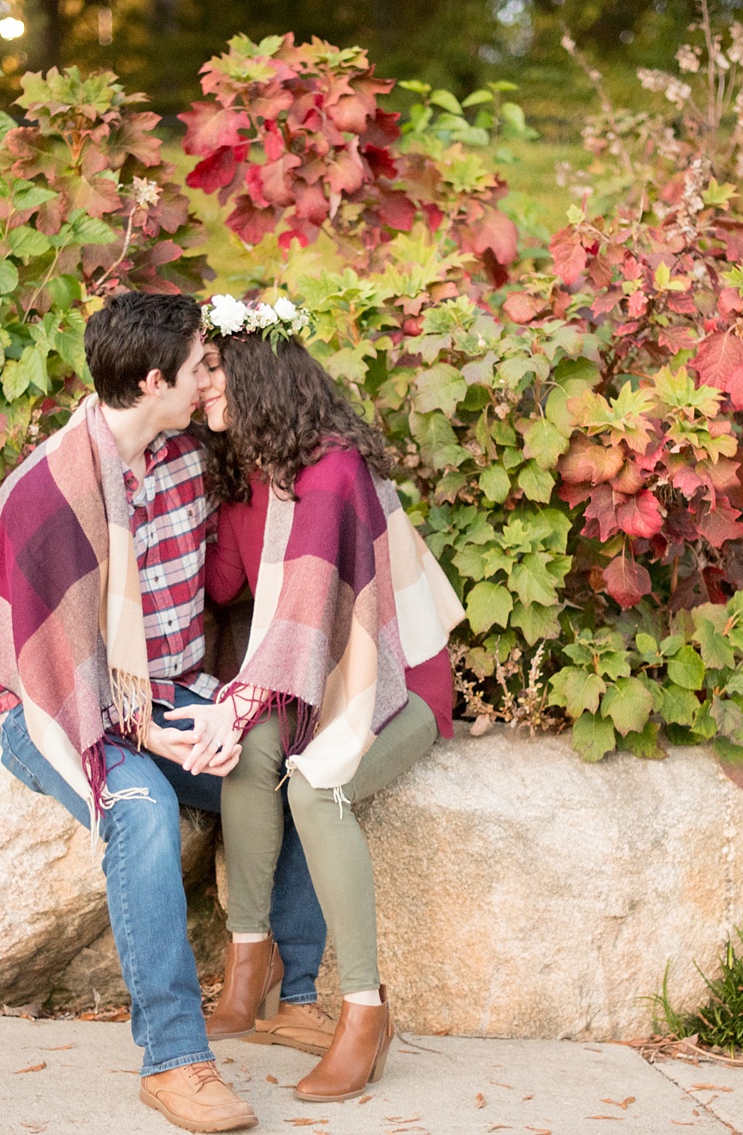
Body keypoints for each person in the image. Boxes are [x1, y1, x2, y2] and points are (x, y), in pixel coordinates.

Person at [0, 291, 328, 1134]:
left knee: (283, 766)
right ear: (155, 379)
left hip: (169, 687)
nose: (207, 382)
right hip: (51, 705)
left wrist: (220, 712)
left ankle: (291, 995)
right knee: (141, 807)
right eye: (198, 369)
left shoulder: (191, 457)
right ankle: (175, 1059)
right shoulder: (48, 489)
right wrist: (147, 735)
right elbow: (48, 671)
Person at [170, 294, 463, 1103]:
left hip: (394, 686)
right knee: (248, 751)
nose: (204, 390)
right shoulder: (261, 470)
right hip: (312, 684)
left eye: (215, 373)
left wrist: (235, 699)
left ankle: (365, 1013)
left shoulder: (332, 472)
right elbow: (231, 587)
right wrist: (216, 501)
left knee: (315, 782)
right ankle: (249, 964)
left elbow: (313, 623)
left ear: (260, 375)